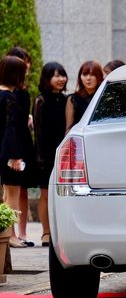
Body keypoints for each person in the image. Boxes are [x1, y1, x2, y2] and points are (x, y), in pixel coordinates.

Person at [33, 62, 68, 247]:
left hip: (63, 152)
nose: (61, 79)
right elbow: (38, 132)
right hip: (45, 154)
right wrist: (39, 157)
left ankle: (60, 232)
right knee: (45, 194)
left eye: (62, 75)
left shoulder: (66, 100)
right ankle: (46, 232)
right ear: (47, 78)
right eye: (56, 75)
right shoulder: (41, 100)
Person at [6, 47, 37, 247]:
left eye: (26, 61)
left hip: (22, 141)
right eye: (22, 61)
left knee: (21, 190)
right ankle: (10, 234)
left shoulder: (23, 90)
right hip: (11, 144)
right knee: (11, 192)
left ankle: (21, 233)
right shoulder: (7, 92)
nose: (26, 65)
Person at [0, 56, 28, 248]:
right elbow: (11, 129)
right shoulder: (10, 97)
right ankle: (10, 235)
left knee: (5, 195)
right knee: (12, 195)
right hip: (9, 153)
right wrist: (16, 156)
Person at [65, 60, 104, 134]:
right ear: (80, 77)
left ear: (99, 76)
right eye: (85, 74)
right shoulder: (73, 99)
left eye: (92, 75)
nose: (88, 78)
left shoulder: (104, 97)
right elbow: (68, 129)